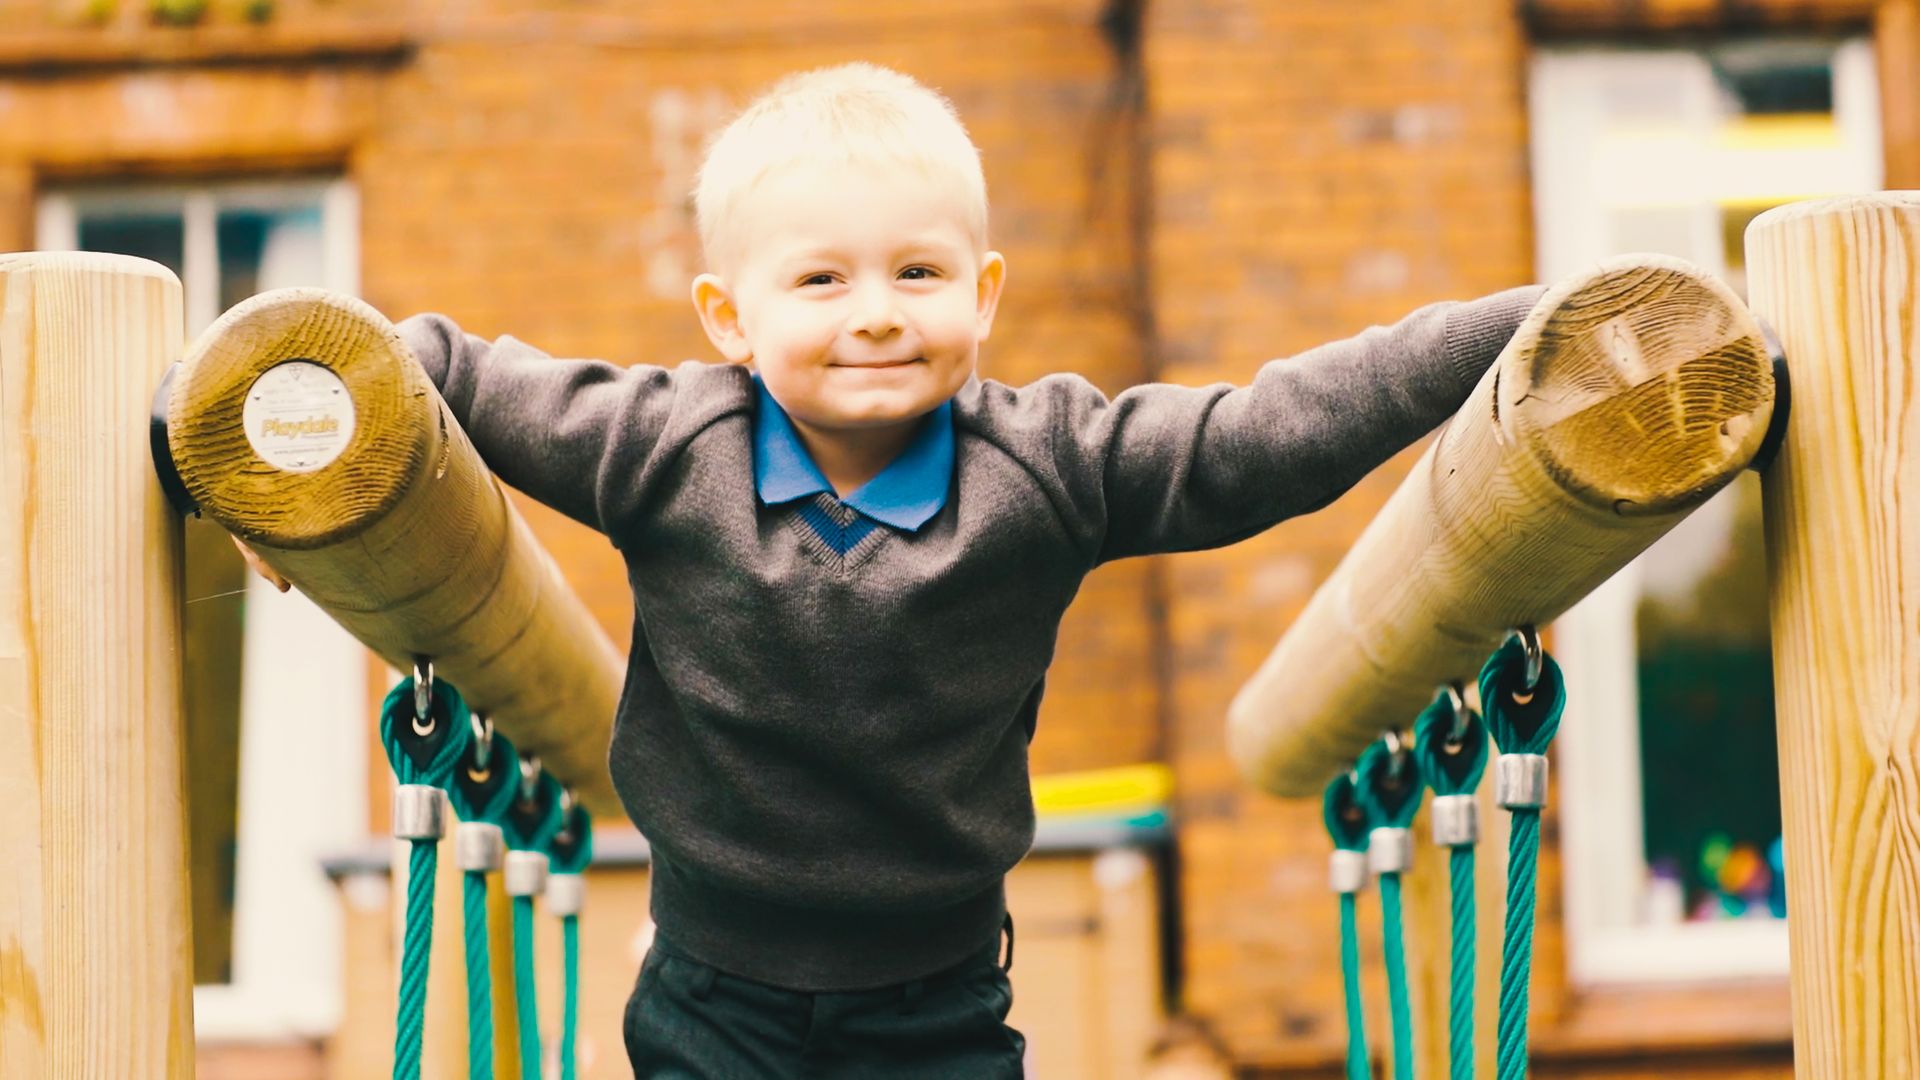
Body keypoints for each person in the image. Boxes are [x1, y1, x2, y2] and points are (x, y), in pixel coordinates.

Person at [240, 62, 1543, 1077]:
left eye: (917, 272)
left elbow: (1264, 436)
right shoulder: (658, 445)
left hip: (939, 1005)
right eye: (821, 279)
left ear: (982, 296)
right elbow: (435, 364)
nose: (874, 310)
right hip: (713, 996)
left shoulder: (1048, 467)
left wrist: (1525, 321)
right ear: (729, 318)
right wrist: (259, 435)